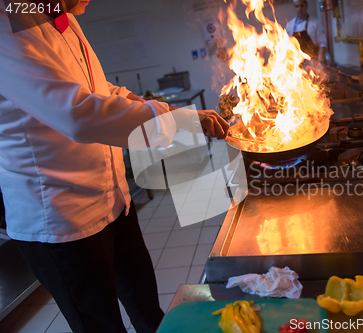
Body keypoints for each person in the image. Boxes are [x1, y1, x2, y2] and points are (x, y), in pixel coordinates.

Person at [0, 1, 229, 333]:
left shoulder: (63, 20)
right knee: (102, 326)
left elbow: (103, 92)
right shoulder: (9, 23)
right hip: (61, 217)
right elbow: (77, 115)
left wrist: (181, 114)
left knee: (148, 311)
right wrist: (179, 121)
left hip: (112, 200)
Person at [285, 0, 328, 65]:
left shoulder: (315, 23)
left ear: (306, 6)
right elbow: (287, 46)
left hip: (313, 62)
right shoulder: (289, 25)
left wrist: (320, 62)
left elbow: (323, 44)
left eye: (302, 5)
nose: (299, 8)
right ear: (294, 8)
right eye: (297, 6)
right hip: (296, 64)